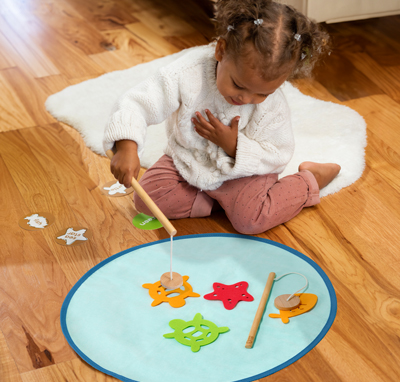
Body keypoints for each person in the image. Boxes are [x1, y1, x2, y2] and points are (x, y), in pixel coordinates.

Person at [103, 0, 340, 235]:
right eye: (238, 84)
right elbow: (138, 102)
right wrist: (126, 145)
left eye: (262, 93)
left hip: (244, 174)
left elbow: (278, 154)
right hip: (190, 161)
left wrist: (233, 146)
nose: (246, 99)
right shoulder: (186, 74)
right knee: (147, 201)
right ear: (221, 50)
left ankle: (309, 180)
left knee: (250, 221)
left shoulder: (273, 107)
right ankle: (226, 203)